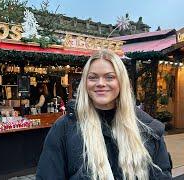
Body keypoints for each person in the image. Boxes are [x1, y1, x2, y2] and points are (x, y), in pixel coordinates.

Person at [36, 50, 172, 179]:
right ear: (85, 83)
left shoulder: (147, 128)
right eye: (93, 77)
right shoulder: (64, 128)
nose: (100, 83)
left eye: (110, 77)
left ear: (121, 82)